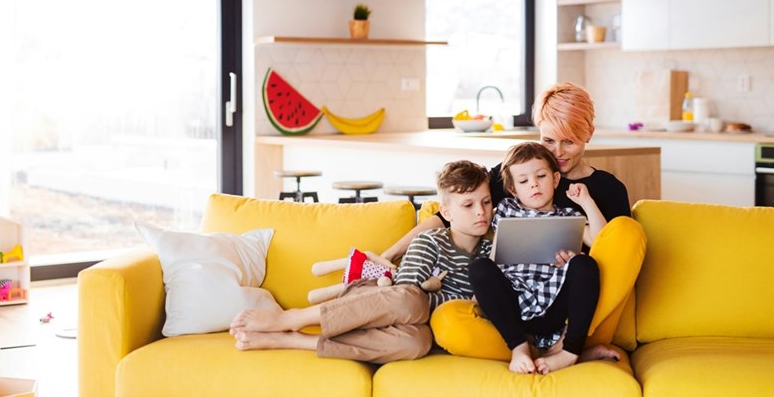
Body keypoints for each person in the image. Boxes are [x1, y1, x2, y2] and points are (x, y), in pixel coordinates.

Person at [382, 82, 647, 360]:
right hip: (514, 298)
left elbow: (616, 257)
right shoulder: (519, 171)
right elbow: (452, 212)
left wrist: (578, 252)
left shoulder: (608, 189)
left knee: (589, 262)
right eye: (548, 140)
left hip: (570, 301)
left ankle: (570, 345)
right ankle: (527, 348)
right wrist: (390, 254)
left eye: (568, 141)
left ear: (589, 134)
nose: (557, 152)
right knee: (467, 294)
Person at [229, 159, 494, 364]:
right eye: (468, 205)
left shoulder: (491, 253)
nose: (481, 212)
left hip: (420, 329)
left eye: (486, 202)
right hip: (378, 299)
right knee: (412, 300)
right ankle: (292, 319)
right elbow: (402, 296)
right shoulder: (432, 241)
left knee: (416, 344)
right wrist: (449, 300)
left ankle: (295, 341)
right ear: (446, 212)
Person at [469, 141, 611, 374]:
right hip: (513, 304)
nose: (533, 184)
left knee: (585, 264)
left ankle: (570, 351)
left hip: (554, 305)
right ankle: (519, 347)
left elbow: (600, 241)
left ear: (555, 180)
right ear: (513, 190)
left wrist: (586, 202)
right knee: (480, 267)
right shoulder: (506, 209)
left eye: (541, 176)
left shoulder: (569, 215)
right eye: (523, 181)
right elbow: (492, 249)